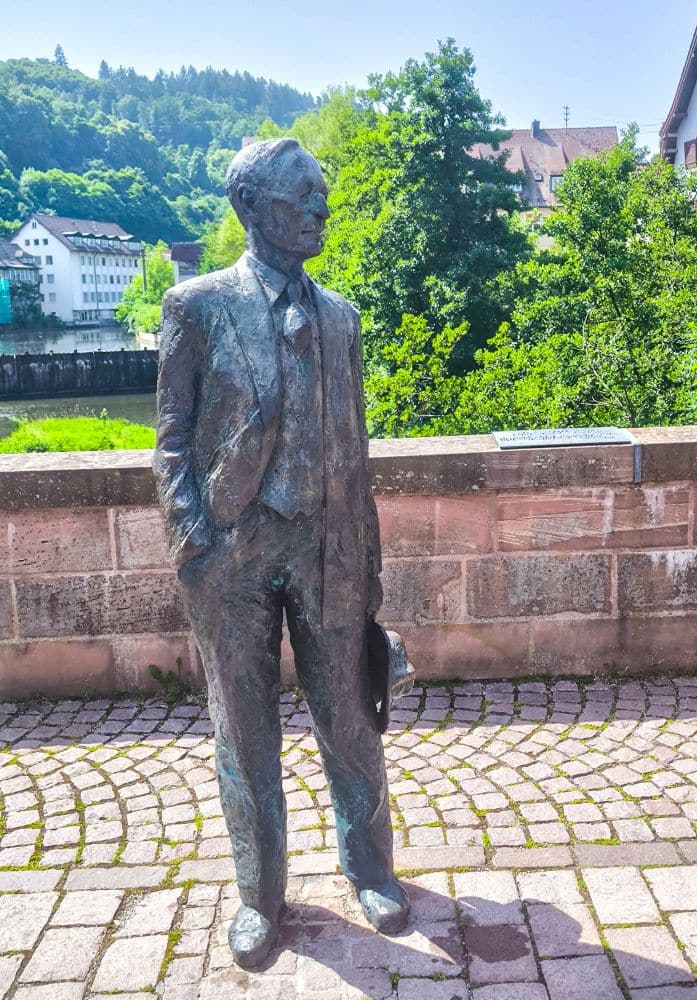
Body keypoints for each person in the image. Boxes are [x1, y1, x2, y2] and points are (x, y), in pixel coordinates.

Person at [153, 138, 410, 968]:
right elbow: (171, 440)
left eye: (321, 196)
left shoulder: (341, 318)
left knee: (349, 712)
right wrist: (195, 542)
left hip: (326, 544)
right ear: (253, 207)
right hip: (232, 551)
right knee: (245, 730)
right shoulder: (197, 306)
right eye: (303, 197)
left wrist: (368, 563)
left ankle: (371, 868)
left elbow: (355, 450)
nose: (320, 210)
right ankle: (260, 896)